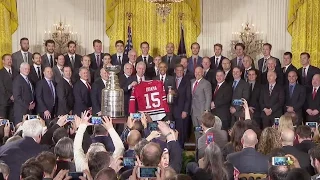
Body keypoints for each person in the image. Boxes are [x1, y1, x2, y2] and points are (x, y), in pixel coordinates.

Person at [172, 64, 191, 147]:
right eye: (178, 70)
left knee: (181, 131)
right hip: (171, 110)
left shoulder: (187, 81)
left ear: (183, 71)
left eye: (181, 70)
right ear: (175, 71)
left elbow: (188, 98)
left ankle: (181, 149)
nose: (179, 72)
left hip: (181, 111)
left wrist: (185, 111)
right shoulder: (171, 80)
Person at [191, 67, 212, 140]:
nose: (197, 73)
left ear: (203, 73)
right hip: (193, 111)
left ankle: (205, 149)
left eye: (199, 72)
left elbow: (208, 97)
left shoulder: (206, 83)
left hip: (202, 111)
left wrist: (206, 110)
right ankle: (198, 148)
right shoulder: (191, 82)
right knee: (196, 131)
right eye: (196, 72)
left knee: (204, 132)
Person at [0, 54, 18, 121]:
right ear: (3, 61)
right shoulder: (0, 73)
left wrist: (15, 95)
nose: (9, 61)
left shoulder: (16, 72)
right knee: (3, 122)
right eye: (7, 59)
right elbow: (1, 87)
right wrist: (10, 96)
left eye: (10, 59)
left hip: (15, 102)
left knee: (12, 121)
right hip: (4, 102)